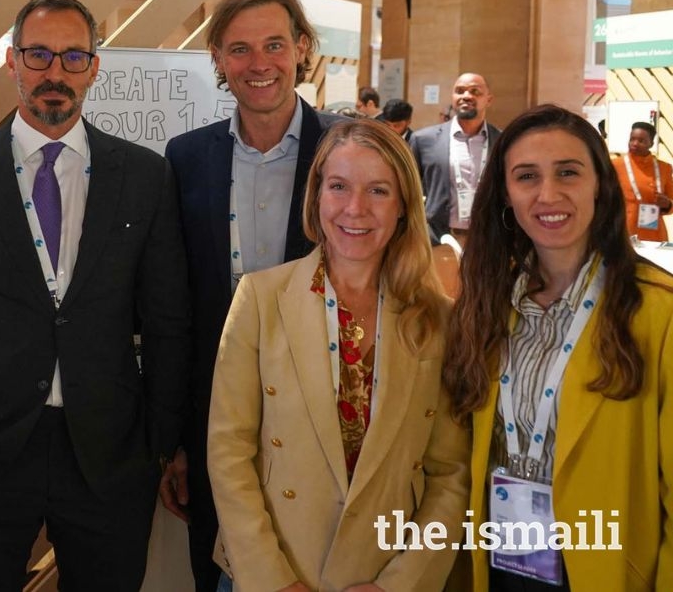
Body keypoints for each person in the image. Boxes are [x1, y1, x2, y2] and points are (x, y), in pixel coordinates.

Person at [0, 0, 191, 592]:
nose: (55, 72)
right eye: (39, 54)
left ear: (94, 67)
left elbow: (168, 321)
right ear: (12, 62)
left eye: (73, 56)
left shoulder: (145, 176)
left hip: (109, 454)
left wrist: (159, 443)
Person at [209, 119, 470, 591]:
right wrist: (274, 581)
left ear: (404, 207)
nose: (355, 209)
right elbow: (229, 452)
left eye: (378, 191)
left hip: (383, 570)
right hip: (271, 567)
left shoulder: (439, 320)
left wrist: (398, 583)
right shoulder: (261, 300)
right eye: (338, 186)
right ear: (317, 196)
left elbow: (450, 474)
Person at [444, 104, 673, 590]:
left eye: (568, 172)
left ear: (599, 185)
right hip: (501, 562)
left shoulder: (658, 312)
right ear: (505, 194)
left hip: (606, 567)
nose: (549, 194)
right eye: (527, 176)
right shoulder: (486, 303)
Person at [163, 0, 342, 592]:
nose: (258, 64)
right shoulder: (184, 159)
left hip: (328, 419)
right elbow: (179, 313)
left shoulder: (348, 150)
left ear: (301, 47)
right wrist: (179, 442)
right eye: (239, 49)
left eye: (273, 45)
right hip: (219, 421)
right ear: (216, 58)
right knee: (217, 571)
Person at [411, 72, 500, 245]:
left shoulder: (502, 142)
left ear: (488, 99)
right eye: (460, 91)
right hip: (437, 239)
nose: (466, 96)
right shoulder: (424, 140)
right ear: (453, 97)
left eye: (475, 91)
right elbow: (409, 190)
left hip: (488, 241)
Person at [613, 120, 673, 242]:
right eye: (632, 139)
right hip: (624, 232)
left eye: (641, 141)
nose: (634, 144)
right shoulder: (615, 165)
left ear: (651, 143)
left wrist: (667, 205)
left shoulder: (664, 168)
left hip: (655, 235)